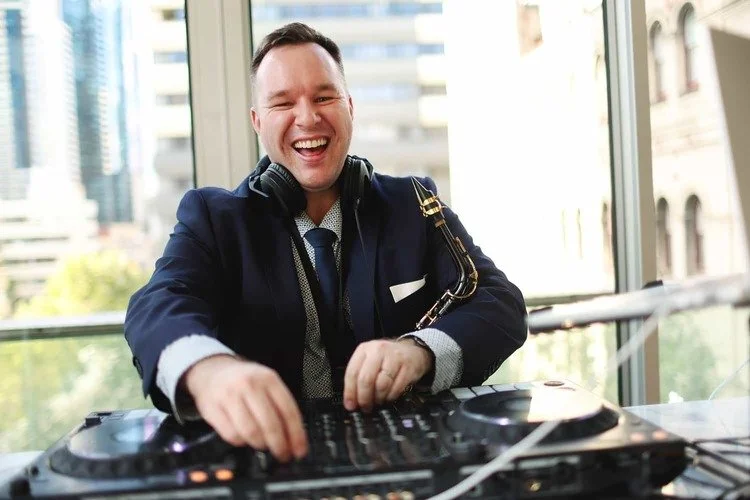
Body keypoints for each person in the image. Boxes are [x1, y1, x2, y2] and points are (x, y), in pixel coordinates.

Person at [124, 22, 526, 464]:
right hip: (267, 463)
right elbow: (158, 304)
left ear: (349, 107)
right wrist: (207, 371)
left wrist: (419, 351)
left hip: (400, 460)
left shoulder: (413, 203)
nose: (308, 118)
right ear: (257, 121)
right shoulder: (213, 219)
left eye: (324, 97)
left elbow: (501, 304)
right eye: (283, 103)